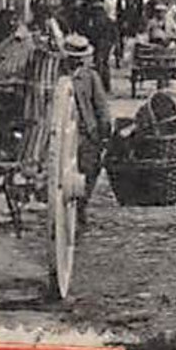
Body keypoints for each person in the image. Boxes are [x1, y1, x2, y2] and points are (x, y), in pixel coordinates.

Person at [61, 35, 112, 230]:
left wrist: (105, 131)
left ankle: (82, 203)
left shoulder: (90, 77)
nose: (75, 61)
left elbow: (101, 106)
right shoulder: (59, 76)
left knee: (90, 169)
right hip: (64, 132)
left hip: (86, 132)